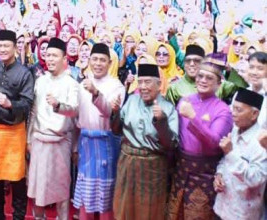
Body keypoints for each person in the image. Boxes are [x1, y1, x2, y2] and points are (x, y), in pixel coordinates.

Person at [166, 59, 233, 219]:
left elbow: (215, 143)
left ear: (219, 83)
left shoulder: (222, 109)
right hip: (181, 169)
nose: (203, 80)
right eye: (200, 76)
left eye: (209, 78)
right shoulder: (185, 101)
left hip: (204, 174)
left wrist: (193, 117)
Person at [113, 63, 179, 220]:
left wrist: (161, 121)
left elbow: (172, 144)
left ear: (159, 84)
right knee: (123, 207)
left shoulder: (167, 108)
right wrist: (114, 113)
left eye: (147, 82)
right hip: (127, 163)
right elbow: (116, 130)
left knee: (150, 211)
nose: (143, 87)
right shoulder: (131, 100)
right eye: (140, 82)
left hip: (153, 166)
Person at [0, 29, 34, 220]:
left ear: (15, 48)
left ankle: (18, 215)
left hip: (14, 132)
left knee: (16, 176)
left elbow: (28, 103)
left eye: (6, 45)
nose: (2, 49)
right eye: (0, 45)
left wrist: (11, 104)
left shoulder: (24, 73)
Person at [27, 36, 80, 220]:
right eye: (48, 55)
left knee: (61, 192)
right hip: (39, 141)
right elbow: (33, 112)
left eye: (54, 56)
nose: (50, 59)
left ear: (64, 59)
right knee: (37, 190)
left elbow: (74, 111)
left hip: (60, 142)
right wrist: (28, 139)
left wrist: (58, 105)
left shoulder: (72, 84)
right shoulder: (40, 81)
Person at [73, 42, 125, 220]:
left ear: (109, 63)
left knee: (105, 198)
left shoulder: (117, 86)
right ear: (89, 61)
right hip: (85, 143)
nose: (98, 63)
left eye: (102, 60)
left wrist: (96, 93)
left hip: (106, 144)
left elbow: (109, 112)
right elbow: (75, 116)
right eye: (94, 59)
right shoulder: (82, 85)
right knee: (85, 197)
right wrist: (74, 147)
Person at [213, 88, 267, 220]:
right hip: (222, 207)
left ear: (254, 114)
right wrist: (219, 174)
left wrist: (230, 153)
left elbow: (256, 179)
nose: (233, 113)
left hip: (243, 214)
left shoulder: (261, 142)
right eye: (233, 108)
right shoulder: (235, 130)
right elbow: (225, 160)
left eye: (239, 110)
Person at [165, 44, 235, 104]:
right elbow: (169, 113)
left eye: (197, 60)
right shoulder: (174, 88)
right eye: (188, 60)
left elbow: (239, 89)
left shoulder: (217, 84)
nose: (192, 64)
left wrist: (231, 70)